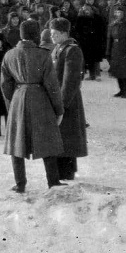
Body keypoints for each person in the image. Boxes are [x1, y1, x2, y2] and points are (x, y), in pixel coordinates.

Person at [1, 19, 65, 193]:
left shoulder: (9, 55)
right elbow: (52, 86)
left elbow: (5, 85)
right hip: (40, 99)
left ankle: (20, 183)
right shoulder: (43, 55)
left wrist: (13, 101)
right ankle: (53, 181)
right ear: (36, 35)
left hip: (18, 98)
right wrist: (58, 108)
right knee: (47, 140)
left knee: (17, 141)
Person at [49, 18, 87, 181]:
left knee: (68, 136)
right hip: (58, 98)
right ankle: (63, 170)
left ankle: (67, 171)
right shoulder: (58, 49)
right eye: (51, 34)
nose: (52, 37)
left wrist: (62, 105)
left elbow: (71, 80)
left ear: (64, 33)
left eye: (55, 34)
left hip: (67, 99)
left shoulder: (72, 50)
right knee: (62, 136)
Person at [106, 7, 126, 98]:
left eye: (120, 12)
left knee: (125, 72)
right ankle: (120, 90)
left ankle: (125, 91)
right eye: (117, 12)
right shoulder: (113, 24)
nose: (118, 14)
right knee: (117, 71)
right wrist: (108, 52)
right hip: (115, 50)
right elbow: (109, 39)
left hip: (124, 49)